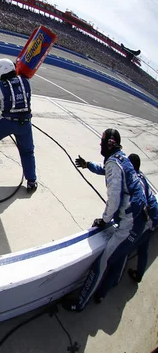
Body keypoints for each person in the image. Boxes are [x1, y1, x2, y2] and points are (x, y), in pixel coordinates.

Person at [63, 129, 148, 311]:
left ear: (109, 143)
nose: (100, 145)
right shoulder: (122, 158)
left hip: (129, 224)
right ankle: (113, 283)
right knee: (121, 255)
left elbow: (114, 198)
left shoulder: (113, 164)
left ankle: (80, 303)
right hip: (136, 219)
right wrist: (88, 165)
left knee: (101, 263)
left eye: (102, 142)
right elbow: (107, 171)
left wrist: (104, 220)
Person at [0, 58, 37, 192]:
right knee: (28, 152)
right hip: (25, 123)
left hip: (7, 121)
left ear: (0, 70)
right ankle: (31, 181)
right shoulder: (26, 81)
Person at [125, 154, 157, 283]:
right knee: (144, 247)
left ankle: (116, 274)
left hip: (148, 220)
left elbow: (137, 204)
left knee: (129, 244)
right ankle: (139, 274)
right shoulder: (141, 176)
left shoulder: (135, 181)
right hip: (155, 215)